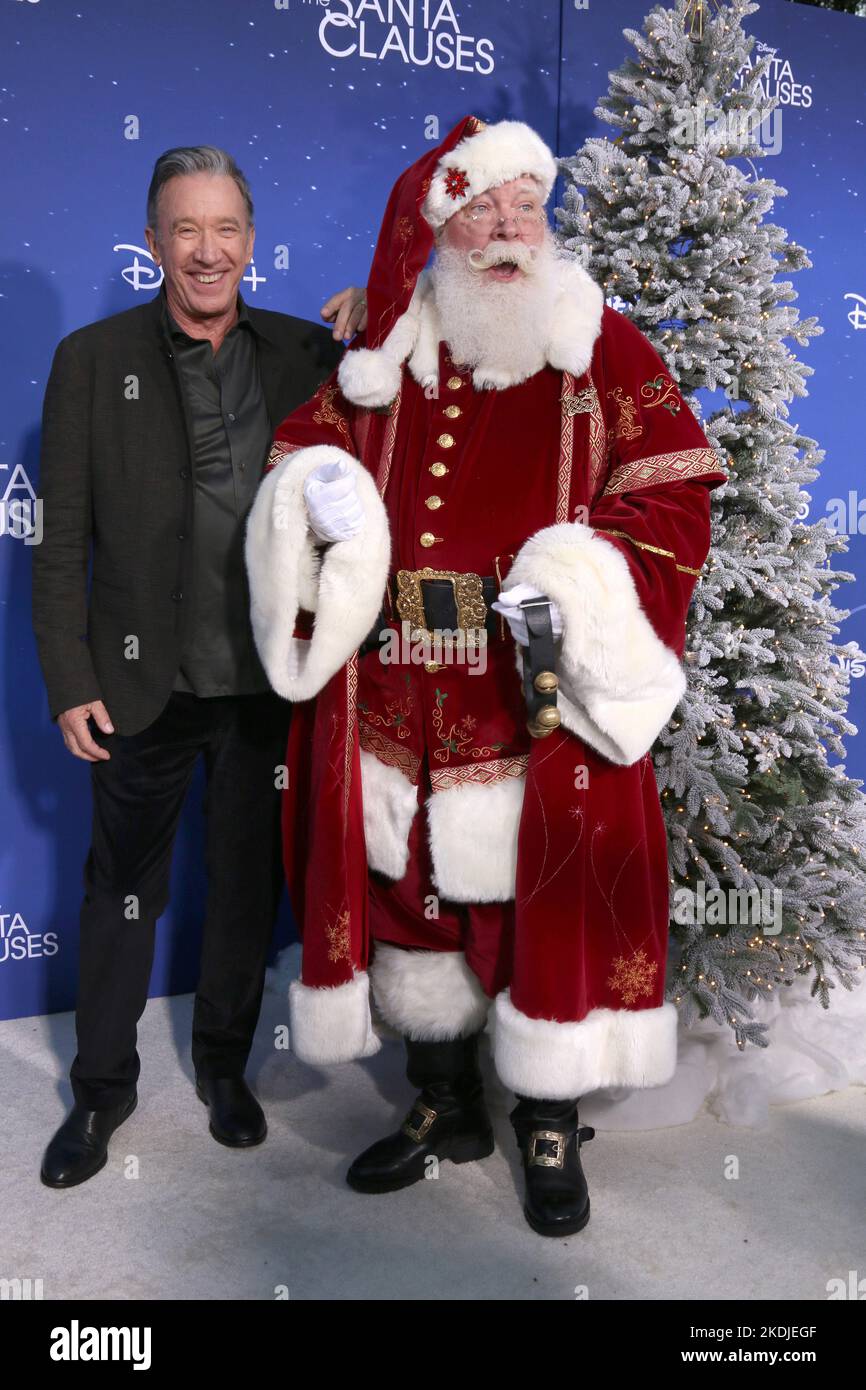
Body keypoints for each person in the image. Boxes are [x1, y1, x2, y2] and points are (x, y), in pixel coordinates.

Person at [244, 116, 727, 1236]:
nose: (506, 229)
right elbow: (300, 453)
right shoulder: (392, 348)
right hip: (405, 687)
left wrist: (576, 575)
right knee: (410, 892)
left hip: (531, 690)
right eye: (479, 209)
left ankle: (548, 1122)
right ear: (441, 229)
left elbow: (673, 489)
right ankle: (443, 1103)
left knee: (536, 902)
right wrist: (321, 492)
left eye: (523, 207)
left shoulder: (598, 343)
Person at [32, 144, 366, 1188]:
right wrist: (69, 675)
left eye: (225, 229)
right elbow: (60, 540)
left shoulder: (306, 353)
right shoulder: (93, 358)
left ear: (250, 245)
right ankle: (101, 1089)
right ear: (153, 244)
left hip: (265, 684)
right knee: (121, 890)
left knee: (240, 889)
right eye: (185, 228)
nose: (206, 250)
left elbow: (425, 366)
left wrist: (386, 303)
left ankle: (225, 1069)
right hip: (141, 684)